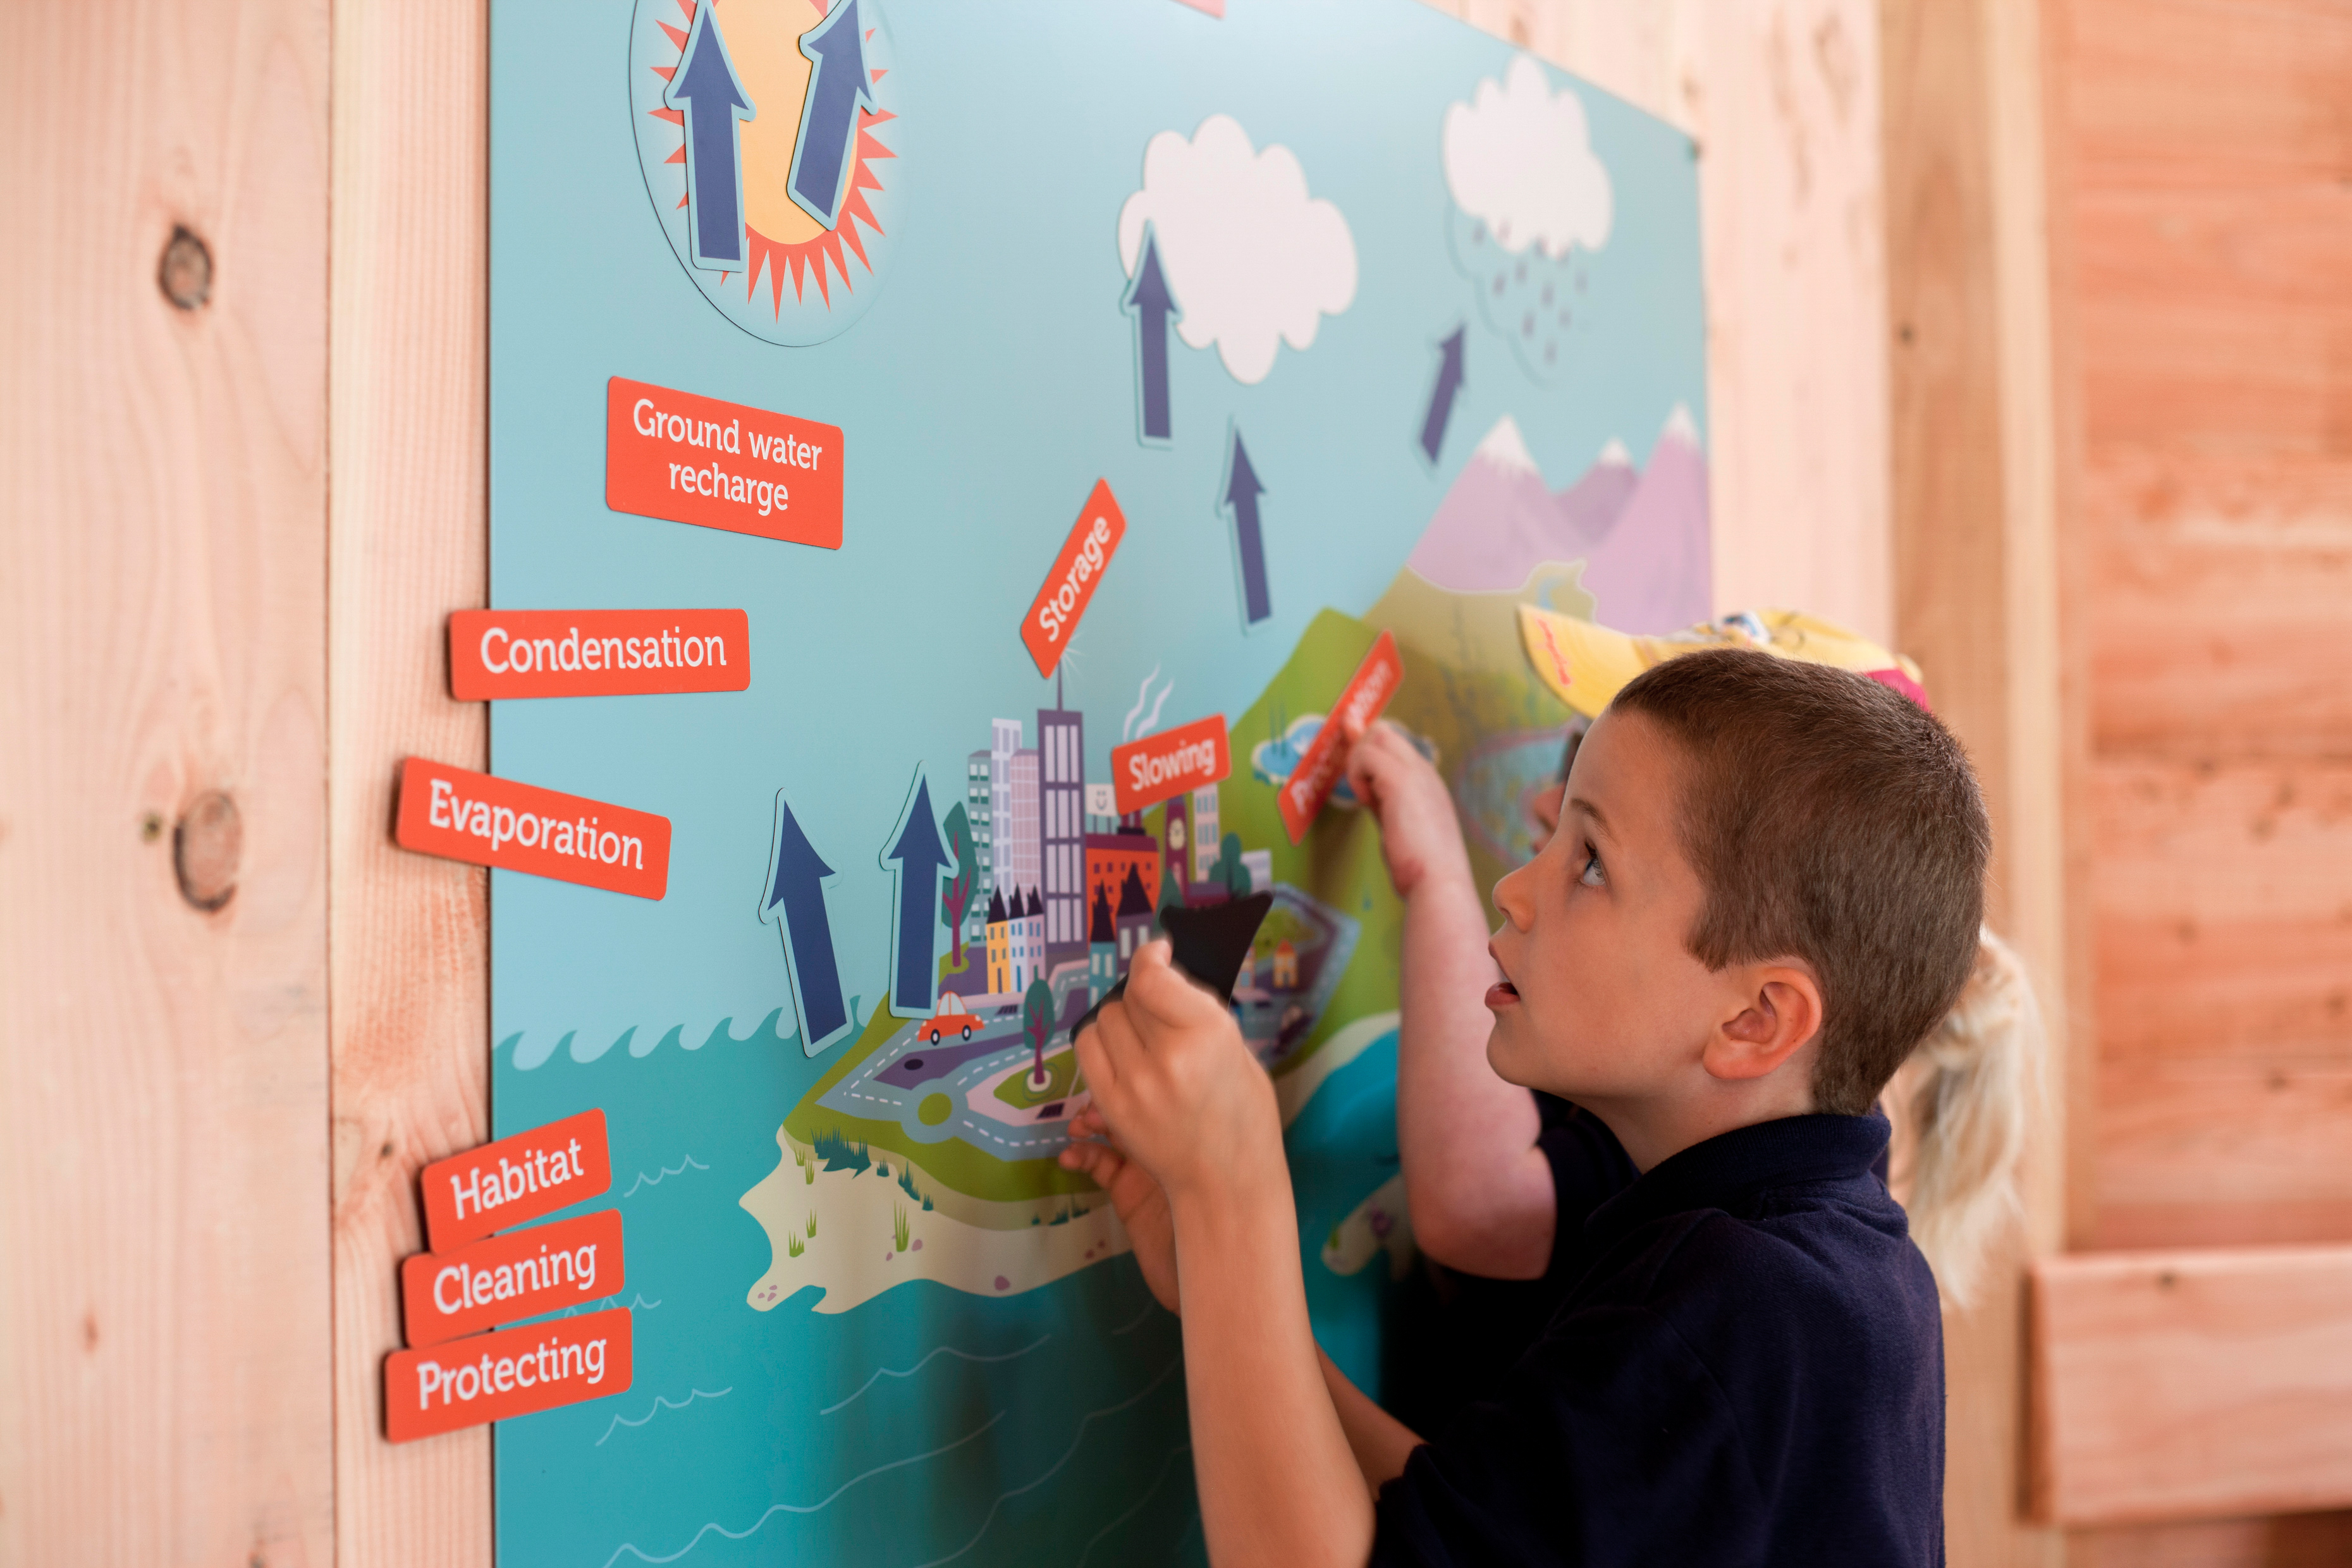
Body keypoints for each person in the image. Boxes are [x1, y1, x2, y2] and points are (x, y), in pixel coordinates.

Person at [1060, 647, 1999, 1565]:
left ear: (1756, 1020)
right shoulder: (1836, 1269)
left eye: (1589, 863)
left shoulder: (1737, 1314)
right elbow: (1465, 1525)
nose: (1511, 890)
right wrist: (1221, 1290)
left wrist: (1229, 1189)